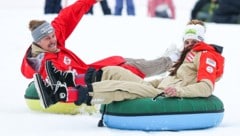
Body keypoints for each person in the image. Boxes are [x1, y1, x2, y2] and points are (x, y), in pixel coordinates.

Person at [33, 19, 225, 109]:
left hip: (166, 96)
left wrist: (179, 92)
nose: (188, 45)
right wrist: (156, 83)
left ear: (201, 40)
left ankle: (62, 94)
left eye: (193, 41)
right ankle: (68, 78)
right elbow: (172, 79)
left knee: (121, 86)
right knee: (114, 71)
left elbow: (206, 87)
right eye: (186, 41)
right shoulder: (187, 56)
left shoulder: (207, 55)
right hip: (157, 87)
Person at [21, 0, 180, 86]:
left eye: (53, 36)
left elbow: (68, 15)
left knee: (127, 60)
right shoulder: (43, 63)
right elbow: (56, 80)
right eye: (47, 38)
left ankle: (165, 62)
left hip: (93, 69)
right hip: (95, 79)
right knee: (132, 68)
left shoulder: (52, 41)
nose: (53, 40)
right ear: (37, 42)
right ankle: (172, 60)